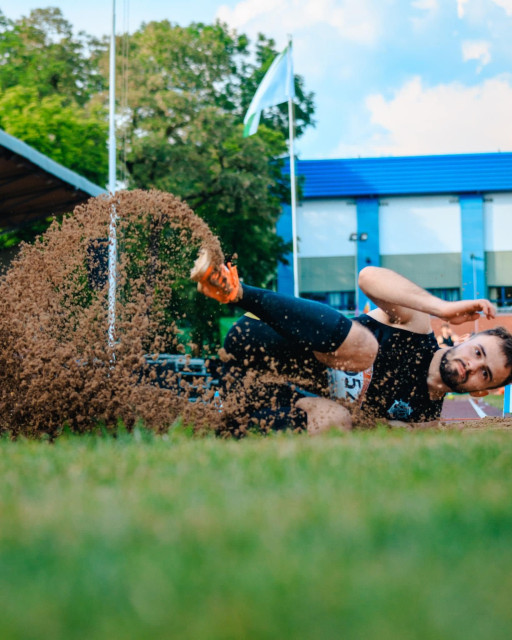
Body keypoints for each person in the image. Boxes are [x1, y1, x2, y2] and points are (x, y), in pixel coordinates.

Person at [191, 252, 512, 433]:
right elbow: (368, 277)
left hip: (261, 394)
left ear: (483, 390)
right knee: (364, 349)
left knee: (338, 422)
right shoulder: (417, 325)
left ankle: (218, 428)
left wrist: (396, 430)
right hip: (262, 342)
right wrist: (441, 308)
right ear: (468, 339)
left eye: (485, 373)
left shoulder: (423, 419)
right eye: (478, 352)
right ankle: (237, 290)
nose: (472, 365)